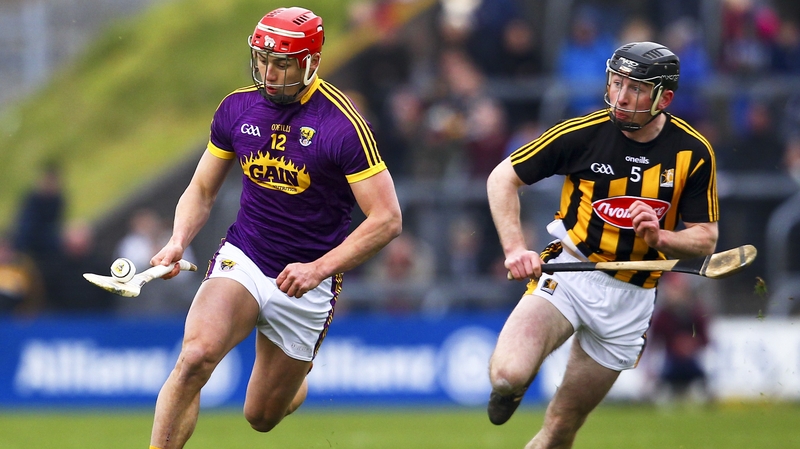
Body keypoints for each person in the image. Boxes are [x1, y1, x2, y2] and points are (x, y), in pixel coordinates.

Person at [146, 7, 402, 449]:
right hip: (245, 255)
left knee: (261, 417)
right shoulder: (237, 108)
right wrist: (177, 242)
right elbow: (202, 189)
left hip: (307, 279)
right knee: (194, 359)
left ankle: (296, 379)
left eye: (282, 63)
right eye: (263, 60)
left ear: (311, 63)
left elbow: (387, 220)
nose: (269, 72)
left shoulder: (342, 126)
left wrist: (318, 269)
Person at [485, 41, 719, 448]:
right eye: (616, 82)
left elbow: (706, 237)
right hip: (570, 275)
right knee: (507, 375)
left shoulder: (694, 153)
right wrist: (514, 249)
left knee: (560, 427)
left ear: (664, 97)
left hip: (631, 298)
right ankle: (511, 390)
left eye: (636, 88)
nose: (621, 97)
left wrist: (662, 238)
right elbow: (502, 179)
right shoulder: (582, 133)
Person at [648, 272, 711, 405]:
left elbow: (706, 339)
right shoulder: (663, 316)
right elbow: (654, 343)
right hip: (671, 363)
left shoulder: (695, 312)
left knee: (703, 381)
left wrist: (692, 344)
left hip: (692, 361)